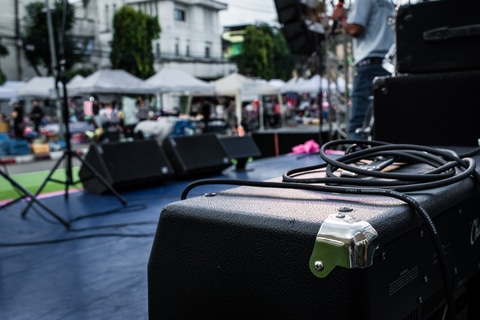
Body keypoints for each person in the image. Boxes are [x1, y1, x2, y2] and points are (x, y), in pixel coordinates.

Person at [332, 0, 395, 139]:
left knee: (358, 125)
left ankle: (355, 159)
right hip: (388, 66)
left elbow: (355, 29)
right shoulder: (389, 3)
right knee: (384, 124)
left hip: (369, 67)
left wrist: (341, 17)